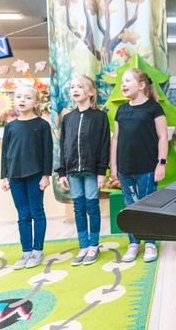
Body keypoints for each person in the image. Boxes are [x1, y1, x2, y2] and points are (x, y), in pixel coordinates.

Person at [110, 69, 168, 263]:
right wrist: (114, 166)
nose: (123, 84)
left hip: (148, 168)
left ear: (142, 85)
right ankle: (134, 242)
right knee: (130, 205)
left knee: (147, 205)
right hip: (125, 169)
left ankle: (150, 242)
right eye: (122, 82)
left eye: (128, 81)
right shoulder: (121, 110)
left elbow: (163, 137)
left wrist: (161, 164)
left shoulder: (153, 108)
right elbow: (116, 139)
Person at [57, 75, 110, 266]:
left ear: (91, 92)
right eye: (72, 87)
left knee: (92, 207)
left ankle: (94, 245)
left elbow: (104, 145)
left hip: (91, 171)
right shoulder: (68, 118)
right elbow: (63, 146)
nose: (75, 89)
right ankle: (83, 246)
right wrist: (62, 172)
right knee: (78, 208)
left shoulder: (100, 117)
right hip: (72, 171)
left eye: (80, 86)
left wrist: (101, 172)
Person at [1, 84, 53, 270]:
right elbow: (5, 153)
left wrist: (46, 175)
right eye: (19, 96)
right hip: (15, 176)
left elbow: (48, 152)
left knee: (36, 212)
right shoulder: (10, 126)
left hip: (35, 174)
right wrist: (4, 176)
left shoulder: (42, 125)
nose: (22, 100)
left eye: (28, 97)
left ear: (36, 102)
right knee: (23, 215)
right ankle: (26, 251)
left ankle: (37, 250)